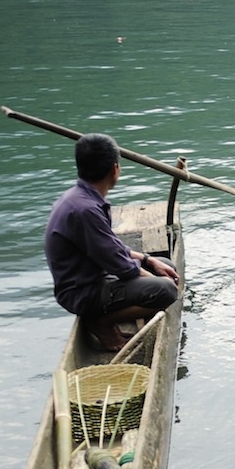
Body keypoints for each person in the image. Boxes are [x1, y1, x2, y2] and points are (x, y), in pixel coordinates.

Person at [43, 133, 181, 350]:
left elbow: (110, 246)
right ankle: (102, 322)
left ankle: (115, 312)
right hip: (82, 291)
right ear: (115, 169)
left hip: (91, 277)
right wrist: (153, 278)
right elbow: (121, 266)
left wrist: (148, 260)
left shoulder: (80, 197)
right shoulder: (85, 209)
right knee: (166, 290)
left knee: (167, 266)